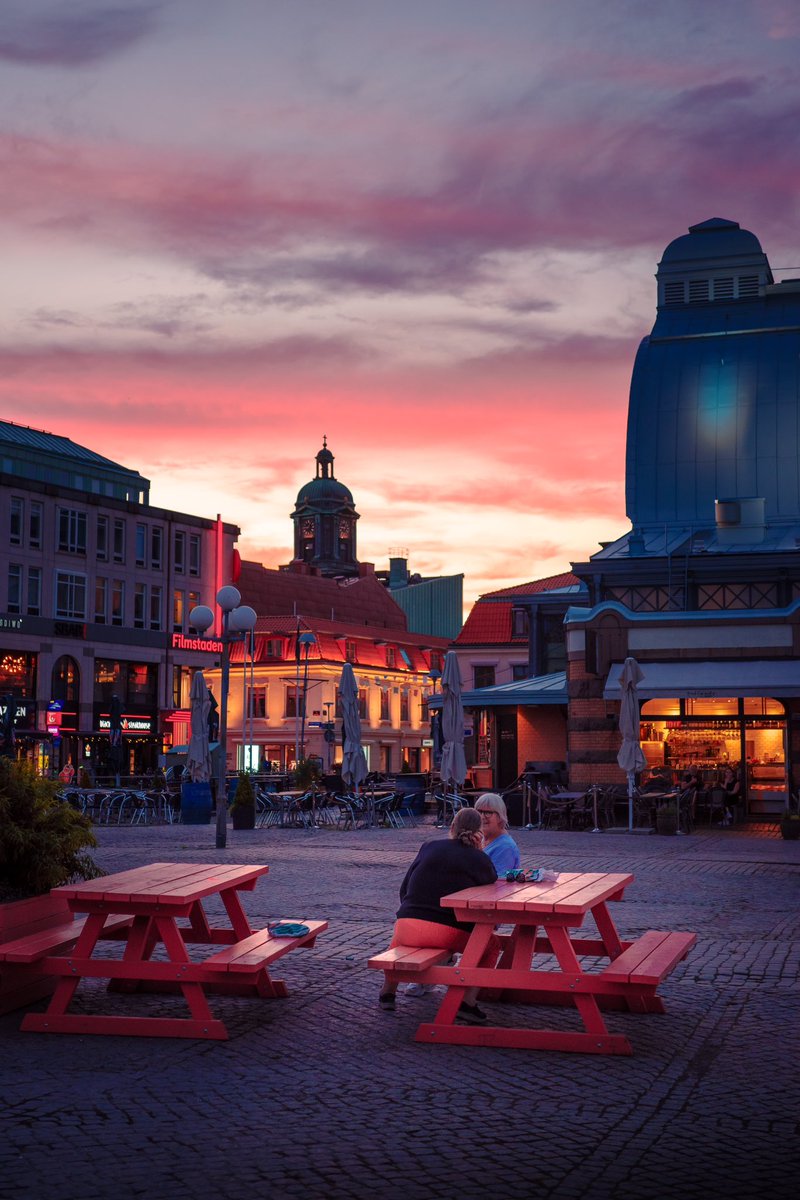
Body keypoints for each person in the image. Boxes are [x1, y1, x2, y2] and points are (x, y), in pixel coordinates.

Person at [379, 807, 498, 1024]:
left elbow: (405, 888)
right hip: (445, 930)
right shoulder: (479, 858)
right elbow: (492, 885)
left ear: (452, 827)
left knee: (400, 939)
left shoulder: (429, 846)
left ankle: (388, 992)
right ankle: (467, 1001)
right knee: (491, 945)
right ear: (479, 832)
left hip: (406, 923)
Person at [474, 793, 521, 874]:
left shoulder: (505, 847)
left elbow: (497, 882)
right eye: (479, 812)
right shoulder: (483, 839)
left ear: (500, 816)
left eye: (487, 813)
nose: (482, 816)